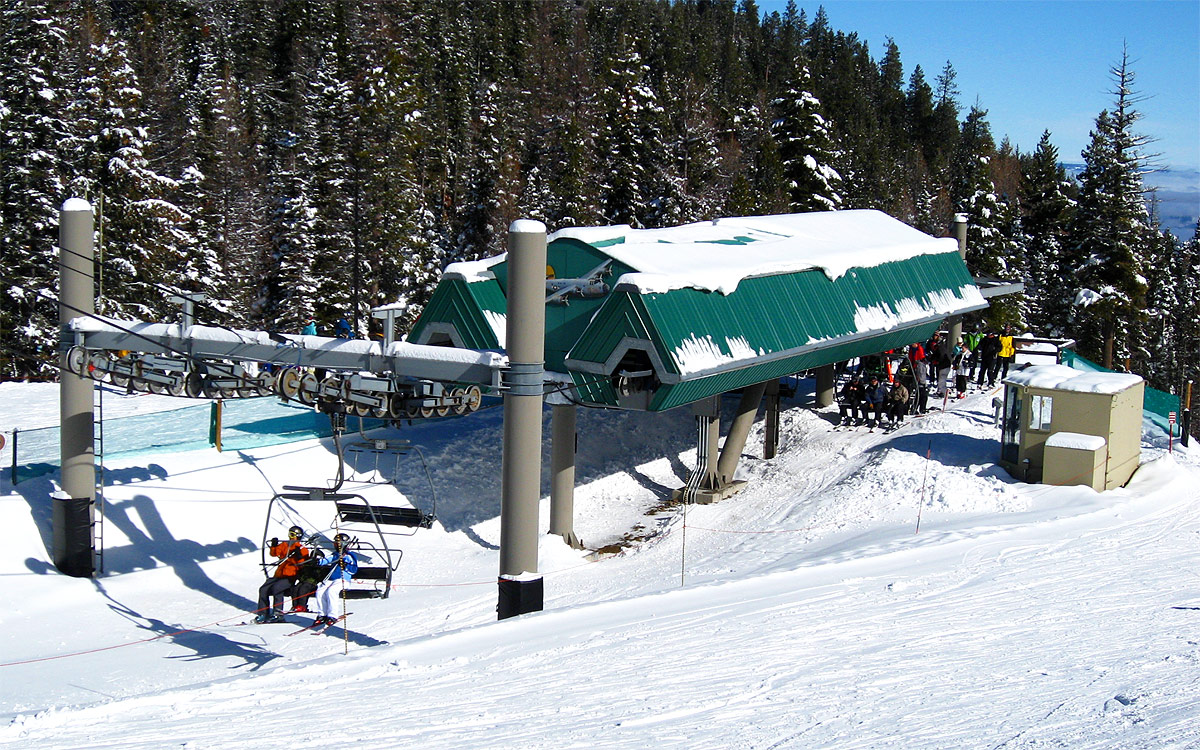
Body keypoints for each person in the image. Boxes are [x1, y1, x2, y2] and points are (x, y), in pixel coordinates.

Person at [255, 525, 310, 623]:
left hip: (290, 576)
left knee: (277, 589)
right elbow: (274, 553)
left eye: (292, 535)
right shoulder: (285, 545)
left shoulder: (302, 549)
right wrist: (274, 546)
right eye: (289, 534)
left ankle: (278, 614)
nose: (290, 537)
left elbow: (303, 564)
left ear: (298, 536)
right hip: (279, 574)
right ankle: (263, 613)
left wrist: (299, 556)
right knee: (263, 589)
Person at [313, 533, 359, 627]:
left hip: (343, 580)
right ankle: (322, 615)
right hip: (331, 579)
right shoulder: (335, 555)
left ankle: (332, 616)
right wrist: (317, 561)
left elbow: (353, 570)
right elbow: (327, 560)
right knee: (320, 591)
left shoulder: (349, 556)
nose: (335, 545)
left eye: (337, 543)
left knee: (331, 591)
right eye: (334, 543)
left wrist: (345, 565)